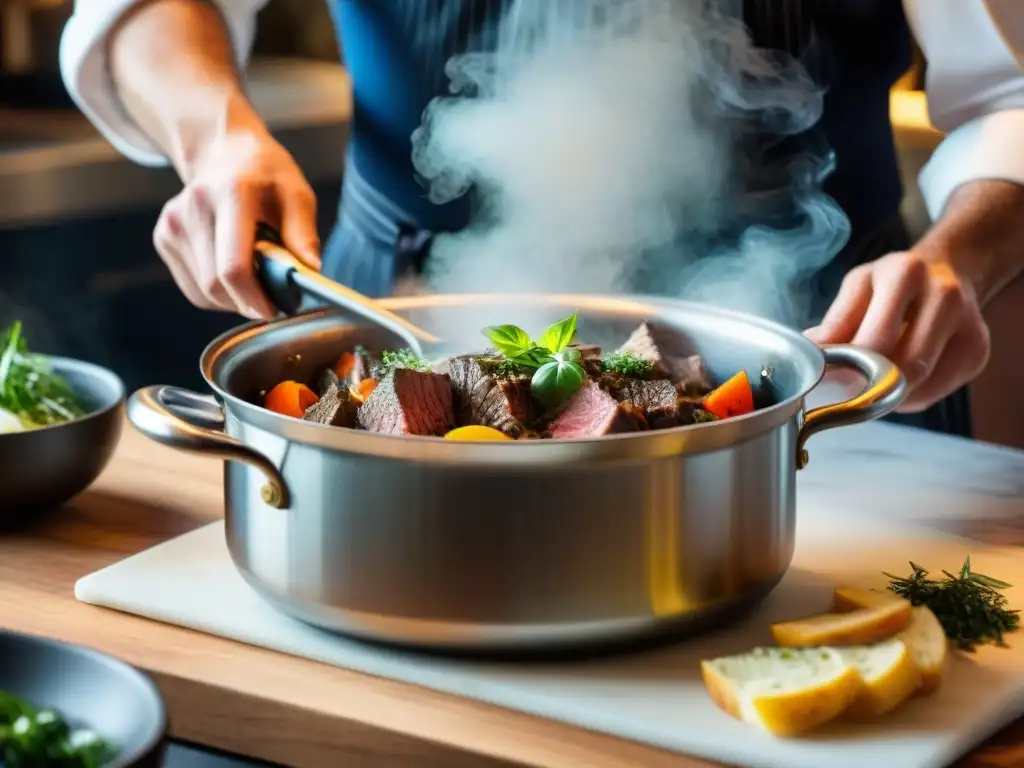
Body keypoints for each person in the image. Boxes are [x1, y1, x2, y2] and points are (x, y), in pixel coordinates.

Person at [61, 0, 1024, 436]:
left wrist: (959, 258)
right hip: (388, 308)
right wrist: (217, 135)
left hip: (825, 364)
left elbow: (1009, 94)